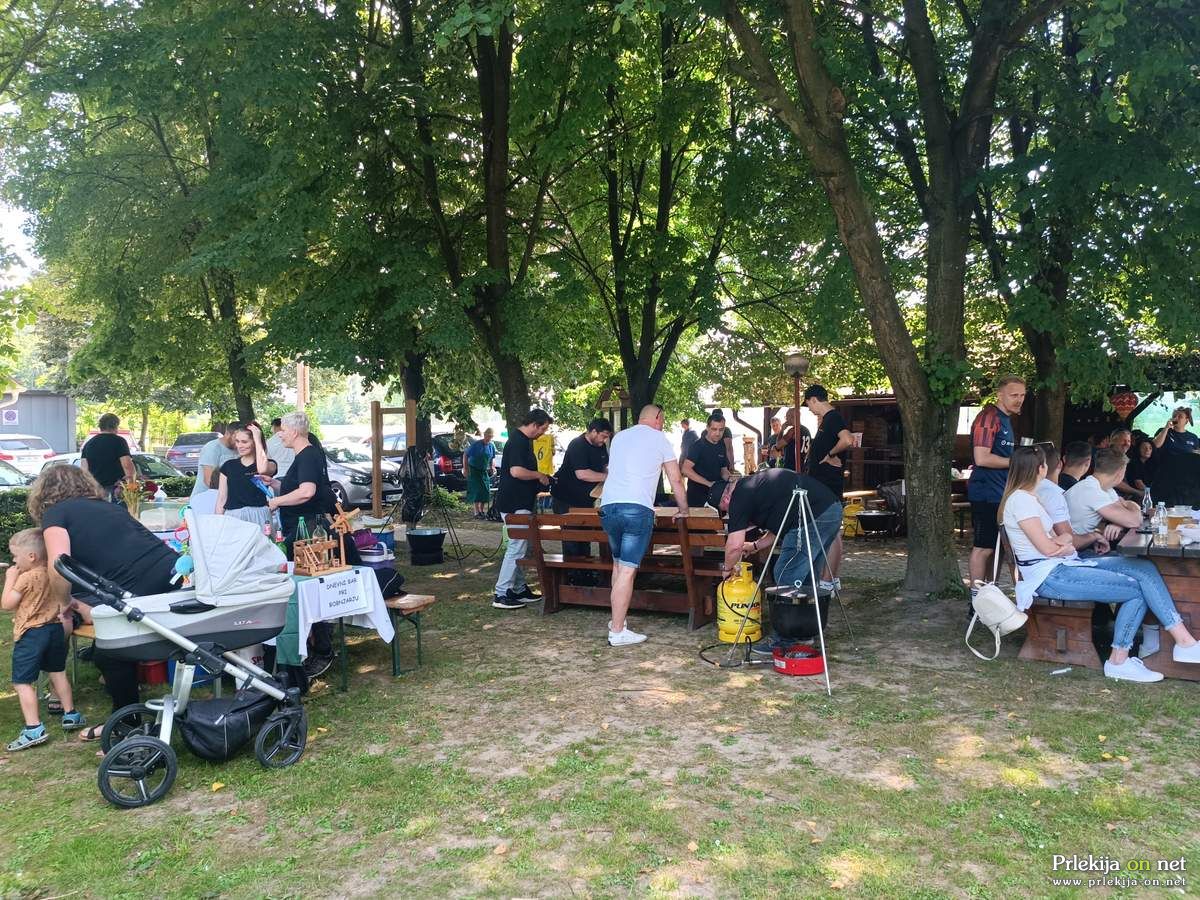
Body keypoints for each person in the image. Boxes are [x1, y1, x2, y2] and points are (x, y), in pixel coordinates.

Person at [998, 445, 1200, 682]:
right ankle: (1119, 661)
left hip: (1064, 565)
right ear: (1041, 468)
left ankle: (1184, 642)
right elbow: (1050, 547)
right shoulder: (1022, 501)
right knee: (1136, 589)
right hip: (1049, 577)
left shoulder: (1031, 498)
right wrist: (1063, 543)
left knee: (1143, 568)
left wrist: (1064, 542)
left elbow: (1061, 541)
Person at [30, 465, 179, 738]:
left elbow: (59, 565)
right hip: (170, 574)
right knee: (112, 642)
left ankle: (127, 722)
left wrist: (64, 601)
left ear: (44, 492)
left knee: (109, 650)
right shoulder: (110, 507)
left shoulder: (56, 513)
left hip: (136, 587)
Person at [711, 469, 841, 651]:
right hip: (831, 509)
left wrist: (726, 568)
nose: (728, 513)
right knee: (806, 577)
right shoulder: (756, 487)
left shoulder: (740, 496)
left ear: (726, 500)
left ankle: (784, 641)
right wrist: (755, 545)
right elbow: (779, 527)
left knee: (785, 573)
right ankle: (804, 632)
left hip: (813, 515)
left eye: (724, 510)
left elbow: (734, 545)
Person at [599, 404, 689, 646]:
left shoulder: (619, 438)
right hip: (636, 509)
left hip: (609, 506)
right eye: (663, 419)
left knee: (618, 565)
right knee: (628, 570)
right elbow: (675, 478)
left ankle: (617, 620)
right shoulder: (660, 439)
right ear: (657, 418)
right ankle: (617, 631)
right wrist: (684, 509)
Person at [266, 412, 337, 678]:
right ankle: (311, 647)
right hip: (302, 528)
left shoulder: (307, 455)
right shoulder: (305, 455)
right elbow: (300, 487)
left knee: (309, 590)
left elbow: (307, 492)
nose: (279, 435)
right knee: (305, 589)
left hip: (308, 531)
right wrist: (276, 484)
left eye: (282, 430)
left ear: (294, 431)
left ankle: (323, 650)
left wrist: (276, 501)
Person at [3, 528, 84, 750]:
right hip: (55, 629)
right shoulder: (53, 573)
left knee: (22, 682)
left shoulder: (26, 578)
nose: (14, 560)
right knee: (58, 672)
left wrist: (10, 578)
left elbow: (7, 604)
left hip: (31, 634)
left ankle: (33, 728)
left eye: (15, 556)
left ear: (31, 556)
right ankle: (71, 714)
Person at [966, 376, 1026, 593]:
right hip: (986, 493)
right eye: (1014, 395)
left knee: (997, 548)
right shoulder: (989, 417)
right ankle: (976, 599)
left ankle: (991, 594)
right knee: (983, 547)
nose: (1019, 399)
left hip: (1000, 493)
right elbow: (981, 458)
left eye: (1022, 395)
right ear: (1000, 395)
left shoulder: (1006, 420)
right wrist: (1018, 462)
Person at [492, 410, 553, 610]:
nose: (543, 433)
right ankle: (501, 593)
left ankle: (518, 589)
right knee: (517, 546)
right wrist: (538, 475)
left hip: (520, 502)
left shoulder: (523, 441)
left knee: (520, 546)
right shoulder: (518, 441)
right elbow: (516, 471)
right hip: (514, 503)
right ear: (534, 424)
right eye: (543, 428)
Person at [804, 384, 853, 589]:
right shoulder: (826, 421)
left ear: (814, 399)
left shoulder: (833, 417)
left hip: (828, 485)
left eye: (808, 404)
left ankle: (827, 581)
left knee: (831, 532)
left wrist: (831, 454)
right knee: (830, 532)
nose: (809, 409)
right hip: (822, 483)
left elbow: (847, 440)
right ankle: (830, 578)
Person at [551, 419, 612, 580]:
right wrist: (609, 477)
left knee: (585, 537)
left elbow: (605, 465)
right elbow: (582, 474)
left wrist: (610, 472)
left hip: (585, 500)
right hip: (566, 499)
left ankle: (585, 573)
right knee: (571, 539)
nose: (604, 440)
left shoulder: (600, 446)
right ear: (593, 431)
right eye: (603, 436)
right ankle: (572, 576)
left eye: (607, 437)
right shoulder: (577, 445)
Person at [1065, 449, 1142, 544]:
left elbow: (1127, 509)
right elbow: (1135, 521)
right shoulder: (1093, 491)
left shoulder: (1104, 488)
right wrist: (1123, 520)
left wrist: (1119, 524)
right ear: (1120, 472)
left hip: (1087, 542)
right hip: (1074, 548)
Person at [215, 422, 276, 527]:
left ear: (255, 442)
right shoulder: (228, 466)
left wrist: (258, 439)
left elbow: (262, 469)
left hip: (259, 515)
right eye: (237, 441)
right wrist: (217, 523)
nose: (239, 446)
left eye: (244, 442)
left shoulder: (269, 464)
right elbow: (221, 499)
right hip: (234, 516)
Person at [681, 413, 733, 508]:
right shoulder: (698, 446)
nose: (718, 433)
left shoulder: (721, 446)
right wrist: (708, 483)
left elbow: (724, 471)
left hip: (715, 498)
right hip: (697, 499)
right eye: (714, 429)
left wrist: (731, 479)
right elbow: (685, 469)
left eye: (721, 430)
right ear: (707, 428)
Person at [80, 413, 135, 501]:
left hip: (95, 490)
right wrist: (131, 485)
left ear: (100, 426)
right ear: (116, 425)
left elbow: (84, 470)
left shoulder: (89, 444)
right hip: (116, 489)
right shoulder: (119, 441)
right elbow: (127, 465)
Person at [191, 422, 240, 514]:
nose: (239, 444)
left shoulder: (239, 449)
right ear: (227, 434)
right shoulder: (212, 448)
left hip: (228, 500)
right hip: (206, 501)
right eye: (236, 439)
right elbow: (209, 480)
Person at [465, 429, 497, 518]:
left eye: (490, 436)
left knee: (485, 490)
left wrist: (492, 467)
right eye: (487, 436)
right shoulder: (476, 445)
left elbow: (492, 458)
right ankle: (476, 512)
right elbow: (465, 455)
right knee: (476, 490)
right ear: (484, 435)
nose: (488, 438)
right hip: (474, 470)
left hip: (483, 471)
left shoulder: (491, 446)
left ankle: (482, 511)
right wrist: (466, 469)